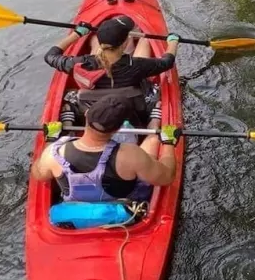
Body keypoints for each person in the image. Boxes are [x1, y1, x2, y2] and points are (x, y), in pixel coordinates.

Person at [30, 94, 178, 204]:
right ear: (119, 128)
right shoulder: (131, 154)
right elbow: (167, 177)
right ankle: (154, 128)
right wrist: (168, 143)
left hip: (75, 214)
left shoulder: (54, 152)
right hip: (123, 210)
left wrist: (50, 141)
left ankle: (68, 121)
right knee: (150, 146)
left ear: (87, 115)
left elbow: (38, 174)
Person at [44, 13, 179, 131]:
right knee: (155, 92)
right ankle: (153, 121)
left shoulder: (79, 63)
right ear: (125, 43)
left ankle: (69, 122)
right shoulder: (138, 65)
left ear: (99, 40)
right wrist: (173, 42)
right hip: (131, 112)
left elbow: (50, 56)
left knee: (70, 97)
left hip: (92, 110)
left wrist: (77, 34)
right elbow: (167, 62)